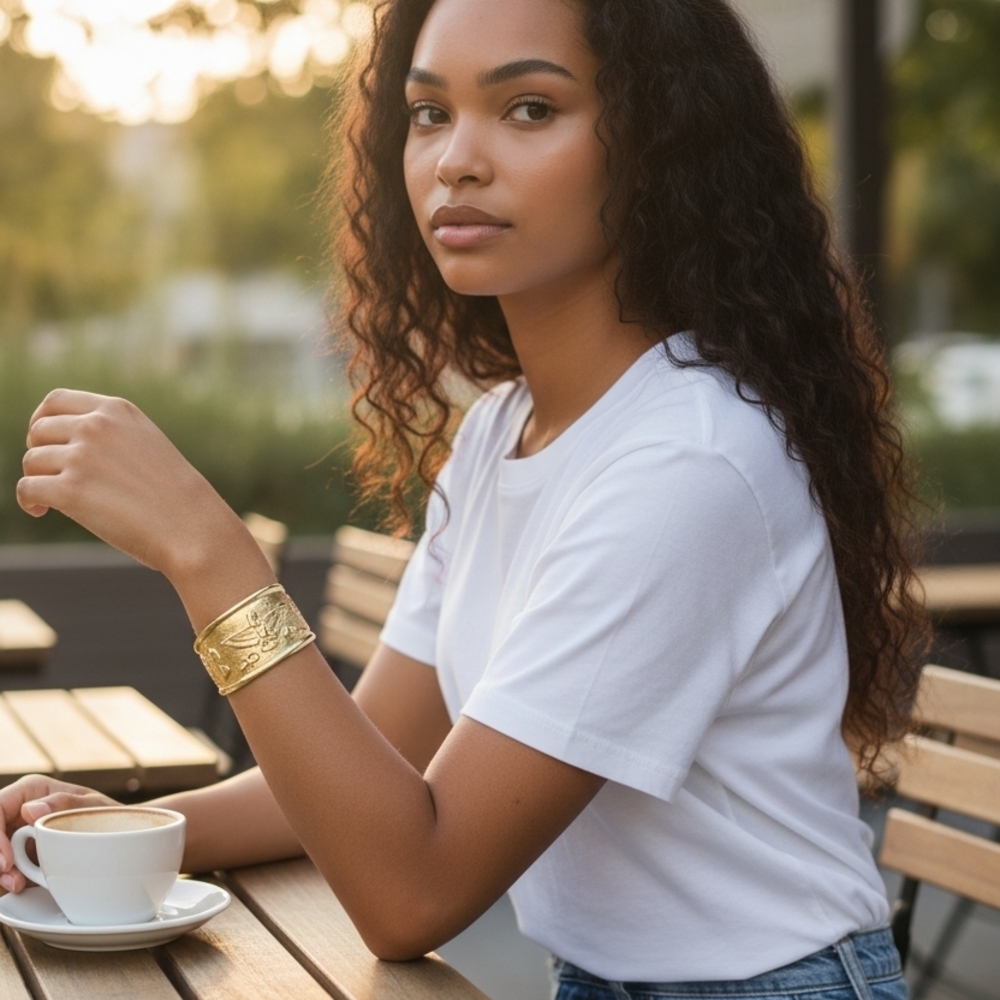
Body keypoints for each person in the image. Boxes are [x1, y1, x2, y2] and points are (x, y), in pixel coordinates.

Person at [1, 0, 927, 996]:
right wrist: (127, 830)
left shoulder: (688, 464)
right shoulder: (500, 431)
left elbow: (411, 890)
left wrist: (210, 556)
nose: (456, 161)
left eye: (530, 109)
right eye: (429, 113)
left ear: (659, 143)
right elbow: (371, 778)